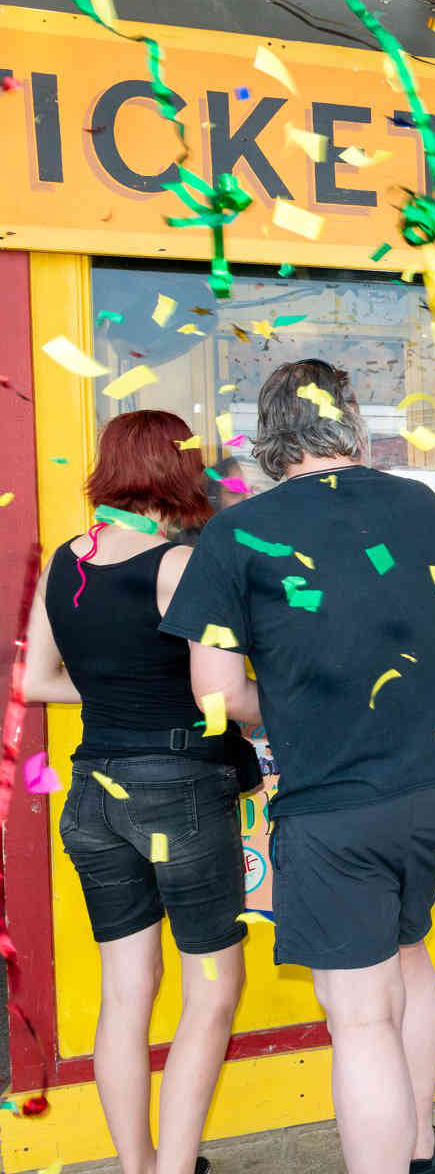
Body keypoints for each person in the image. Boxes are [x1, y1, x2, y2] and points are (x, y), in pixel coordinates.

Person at [160, 359, 435, 1174]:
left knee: (359, 1015)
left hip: (336, 800)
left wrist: (289, 703)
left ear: (268, 438)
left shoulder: (236, 534)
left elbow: (217, 696)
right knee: (409, 952)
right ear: (351, 421)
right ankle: (419, 1150)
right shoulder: (420, 505)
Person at [22, 409, 248, 1174]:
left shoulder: (67, 561)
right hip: (178, 791)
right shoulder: (179, 566)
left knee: (125, 996)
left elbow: (35, 680)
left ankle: (138, 1166)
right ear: (177, 471)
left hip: (92, 796)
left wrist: (114, 691)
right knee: (211, 991)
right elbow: (217, 695)